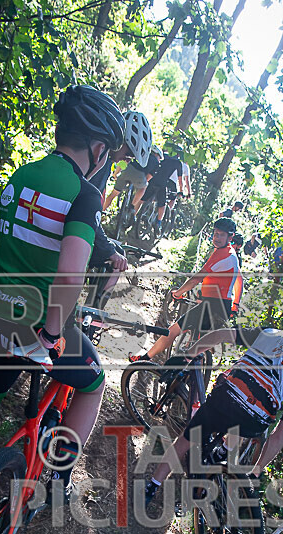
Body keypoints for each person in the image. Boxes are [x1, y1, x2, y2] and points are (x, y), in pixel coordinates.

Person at [0, 85, 126, 513]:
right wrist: (52, 333)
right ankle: (59, 472)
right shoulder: (85, 194)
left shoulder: (21, 175)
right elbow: (70, 272)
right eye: (107, 153)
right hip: (36, 322)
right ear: (97, 148)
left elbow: (31, 237)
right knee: (94, 385)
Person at [144, 328, 283, 505]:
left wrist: (187, 356)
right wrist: (256, 471)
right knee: (260, 414)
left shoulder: (277, 335)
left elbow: (222, 334)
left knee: (184, 442)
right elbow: (279, 435)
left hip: (225, 401)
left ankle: (152, 486)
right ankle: (223, 451)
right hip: (252, 424)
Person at [129, 217, 241, 362]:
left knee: (174, 330)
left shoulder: (222, 254)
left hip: (212, 306)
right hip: (221, 306)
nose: (217, 238)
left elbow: (196, 279)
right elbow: (239, 280)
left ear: (230, 237)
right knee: (198, 345)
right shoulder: (232, 255)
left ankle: (145, 359)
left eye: (221, 235)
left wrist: (178, 293)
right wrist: (235, 304)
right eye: (215, 234)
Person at [86, 110, 153, 307]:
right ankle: (92, 314)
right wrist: (108, 249)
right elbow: (87, 215)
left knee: (115, 248)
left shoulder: (98, 155)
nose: (129, 159)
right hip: (74, 229)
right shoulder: (102, 162)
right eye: (129, 153)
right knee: (117, 258)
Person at [103, 142, 162, 214]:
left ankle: (101, 210)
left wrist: (115, 174)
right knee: (144, 187)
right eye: (160, 158)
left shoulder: (141, 152)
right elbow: (148, 178)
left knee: (113, 194)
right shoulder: (156, 162)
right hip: (139, 175)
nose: (159, 160)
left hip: (127, 170)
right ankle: (132, 205)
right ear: (156, 154)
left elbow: (124, 162)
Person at [137, 151, 185, 235]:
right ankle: (158, 223)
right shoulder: (178, 163)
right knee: (162, 205)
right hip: (162, 184)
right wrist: (181, 191)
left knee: (142, 199)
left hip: (152, 180)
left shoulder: (163, 156)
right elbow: (180, 179)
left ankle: (134, 215)